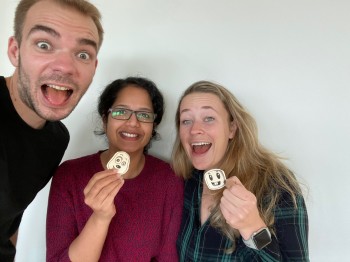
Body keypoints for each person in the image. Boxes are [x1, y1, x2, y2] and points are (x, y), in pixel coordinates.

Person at [0, 0, 103, 260]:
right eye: (44, 45)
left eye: (82, 54)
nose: (65, 66)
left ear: (94, 67)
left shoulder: (56, 139)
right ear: (15, 50)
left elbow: (11, 216)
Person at [46, 77, 184, 262]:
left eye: (144, 115)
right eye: (121, 112)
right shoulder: (70, 175)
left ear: (154, 126)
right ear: (105, 119)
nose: (133, 123)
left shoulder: (169, 179)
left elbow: (168, 258)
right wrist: (100, 218)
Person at [172, 80, 309, 261]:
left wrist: (252, 227)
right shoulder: (186, 180)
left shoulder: (276, 186)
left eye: (209, 118)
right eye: (186, 120)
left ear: (232, 128)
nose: (195, 129)